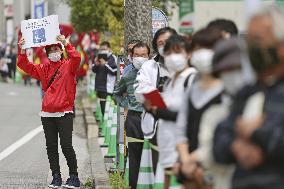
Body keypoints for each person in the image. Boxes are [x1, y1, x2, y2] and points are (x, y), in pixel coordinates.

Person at [213, 6, 284, 189]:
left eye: (258, 40)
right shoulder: (248, 92)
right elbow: (220, 138)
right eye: (249, 41)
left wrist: (256, 133)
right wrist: (236, 146)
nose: (252, 49)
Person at [17, 35, 81, 188]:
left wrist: (66, 43)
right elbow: (24, 65)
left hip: (65, 111)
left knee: (66, 145)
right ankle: (56, 176)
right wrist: (22, 49)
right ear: (46, 53)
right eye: (51, 50)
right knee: (51, 146)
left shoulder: (69, 65)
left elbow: (77, 57)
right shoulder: (43, 68)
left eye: (56, 49)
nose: (54, 52)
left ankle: (74, 176)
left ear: (61, 51)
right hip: (47, 113)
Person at [144, 35, 196, 189]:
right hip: (167, 147)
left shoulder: (191, 78)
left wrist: (159, 112)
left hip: (182, 151)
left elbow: (190, 115)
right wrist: (152, 108)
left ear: (188, 54)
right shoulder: (170, 80)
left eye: (178, 52)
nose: (173, 57)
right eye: (169, 53)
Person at [174, 28, 223, 189]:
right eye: (198, 49)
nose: (202, 54)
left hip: (217, 169)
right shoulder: (192, 89)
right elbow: (181, 129)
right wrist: (185, 159)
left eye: (208, 48)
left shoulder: (228, 90)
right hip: (189, 171)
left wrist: (194, 160)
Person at [134, 27, 177, 173]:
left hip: (181, 127)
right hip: (156, 125)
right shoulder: (149, 66)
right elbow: (141, 89)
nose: (165, 45)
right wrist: (161, 105)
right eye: (161, 43)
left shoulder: (184, 64)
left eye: (168, 41)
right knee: (159, 170)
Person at [114, 42, 150, 189]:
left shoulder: (157, 72)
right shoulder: (128, 74)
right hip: (134, 119)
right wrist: (127, 105)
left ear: (149, 56)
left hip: (152, 118)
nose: (140, 58)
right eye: (137, 55)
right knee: (134, 157)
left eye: (143, 55)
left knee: (151, 156)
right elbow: (116, 93)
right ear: (131, 56)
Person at [92, 41, 117, 116]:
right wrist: (96, 64)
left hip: (107, 87)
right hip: (99, 86)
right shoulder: (98, 57)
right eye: (101, 49)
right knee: (101, 105)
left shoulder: (113, 58)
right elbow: (93, 70)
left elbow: (115, 71)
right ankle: (103, 122)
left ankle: (106, 123)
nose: (103, 51)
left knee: (106, 107)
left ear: (109, 49)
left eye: (104, 49)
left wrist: (105, 64)